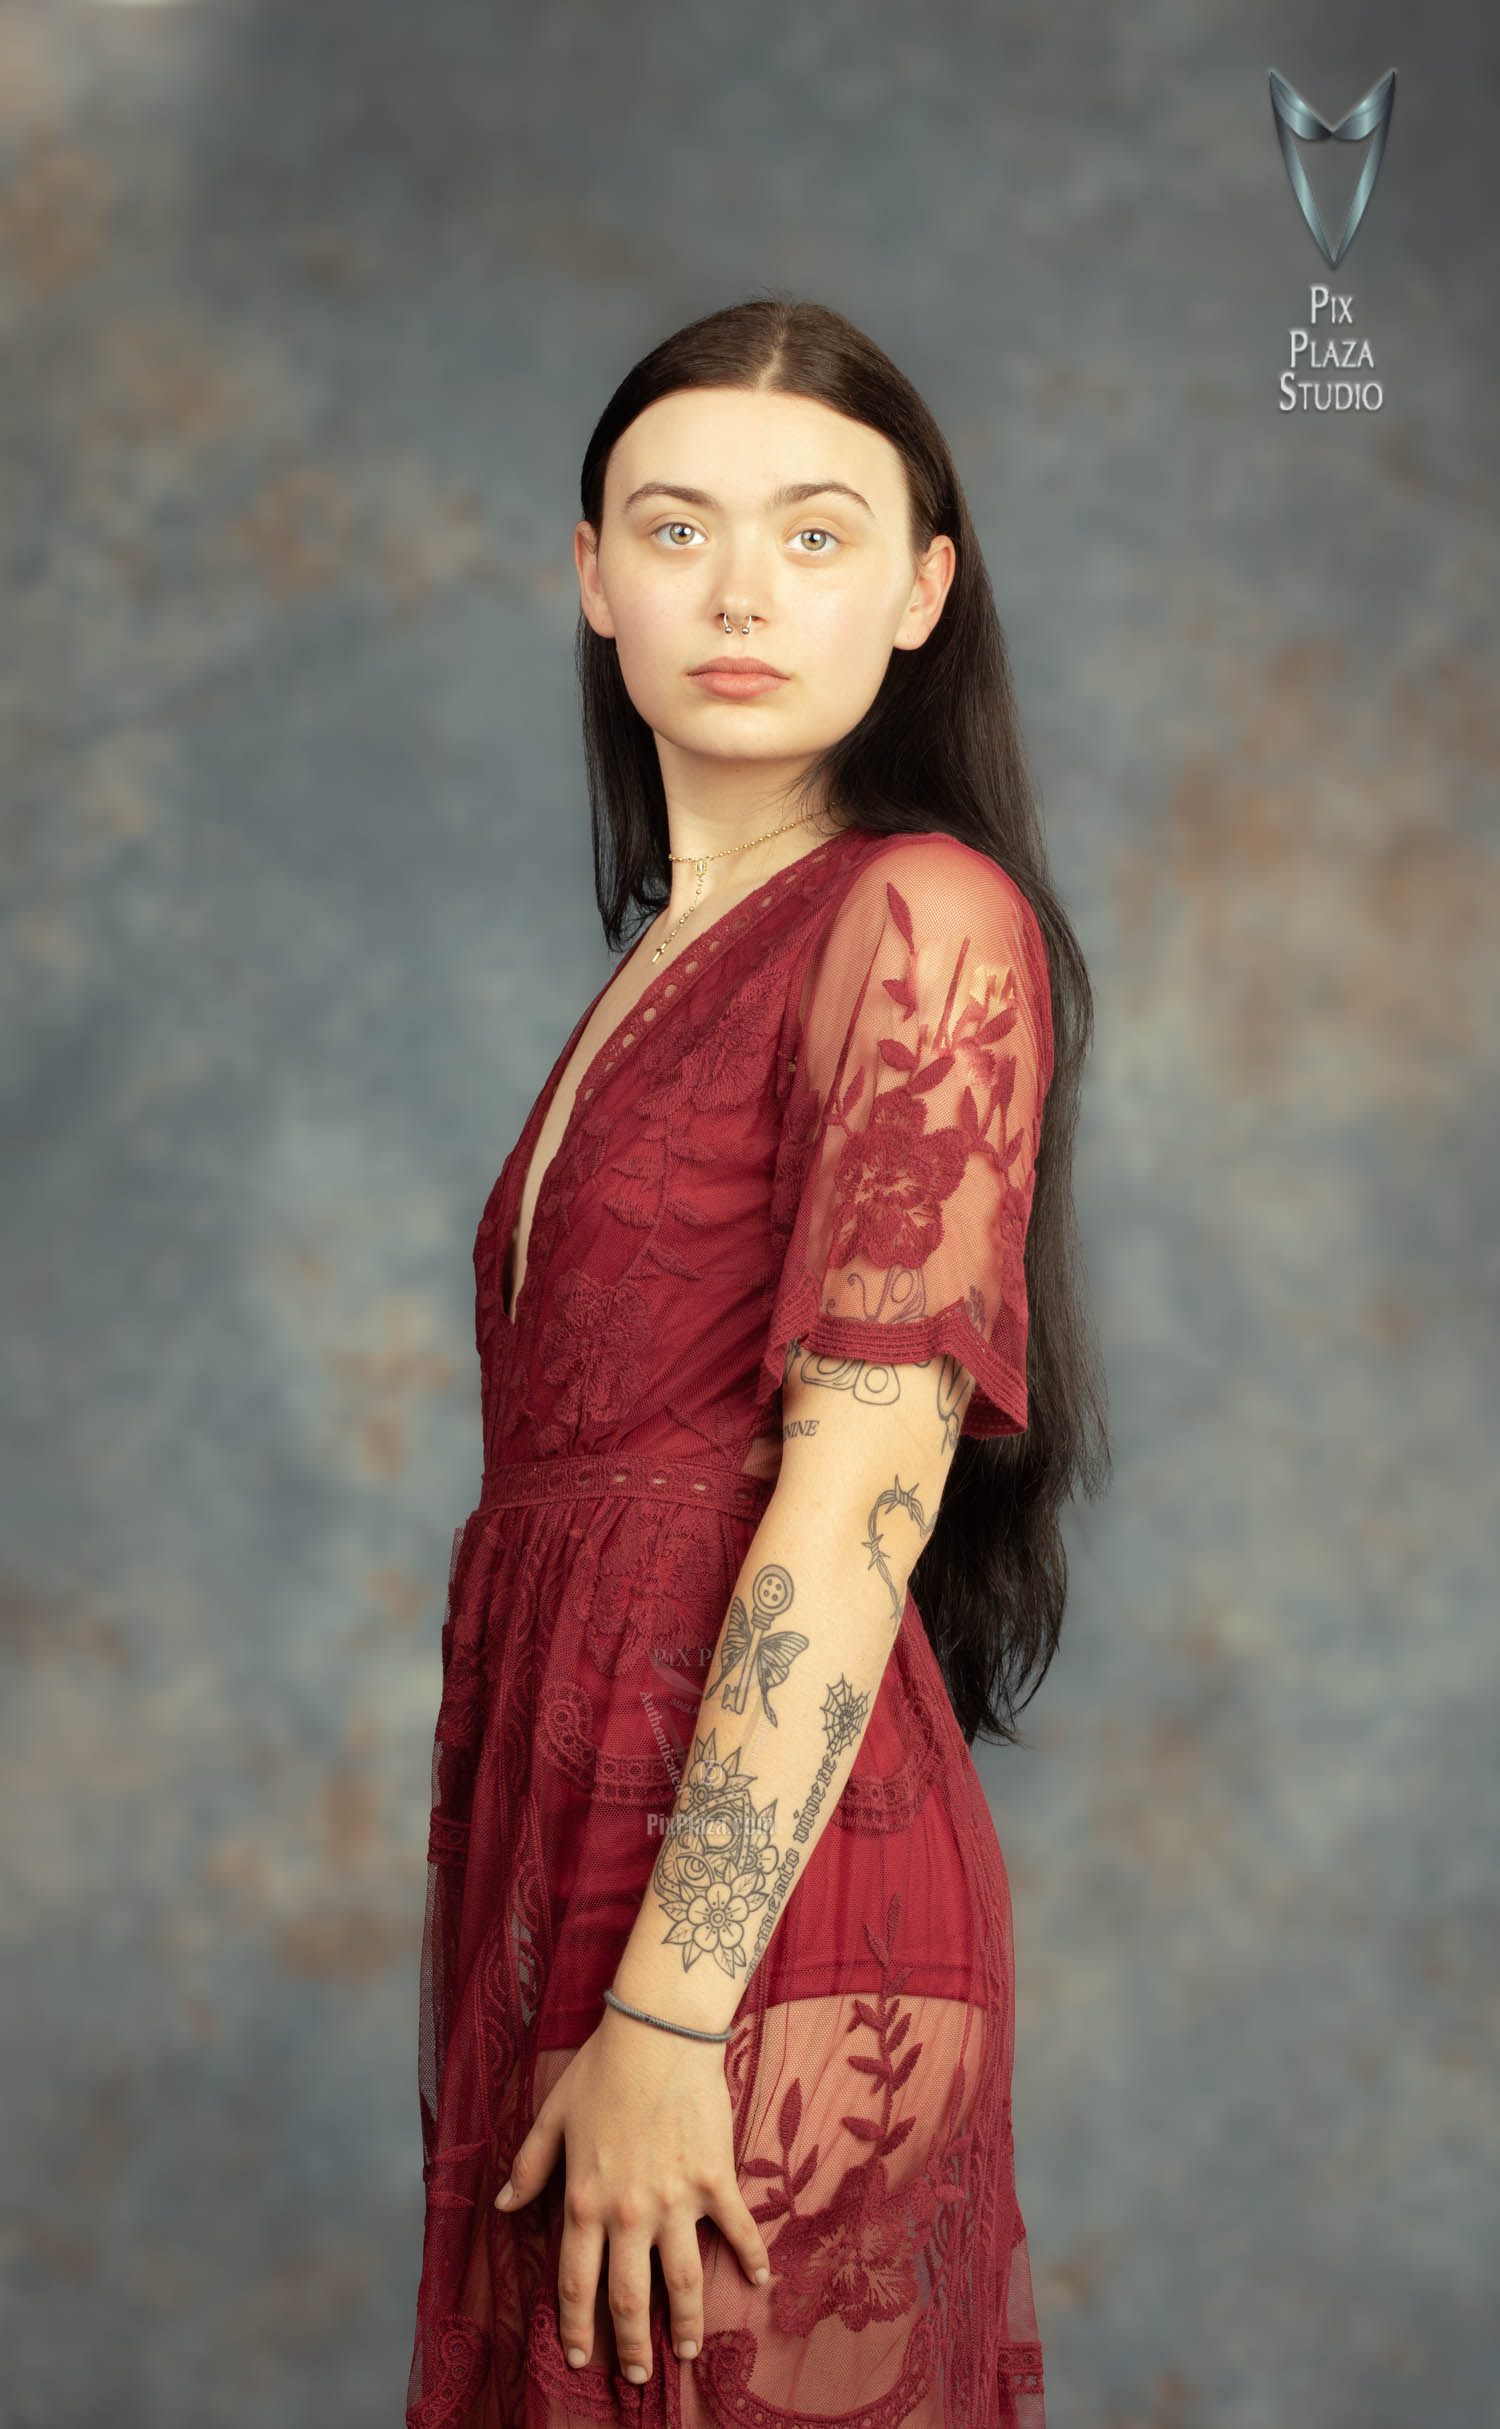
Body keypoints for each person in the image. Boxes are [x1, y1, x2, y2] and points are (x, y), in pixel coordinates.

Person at [405, 296, 1108, 2429]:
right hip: (566, 1842)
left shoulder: (917, 916)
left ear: (919, 591)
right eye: (676, 524)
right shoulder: (662, 962)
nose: (736, 589)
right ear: (590, 573)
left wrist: (677, 2013)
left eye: (816, 535)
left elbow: (861, 1483)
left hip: (746, 1922)